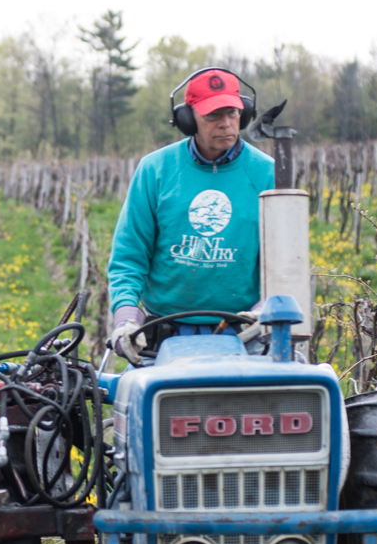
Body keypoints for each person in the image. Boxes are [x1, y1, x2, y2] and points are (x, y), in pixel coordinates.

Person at [107, 68, 275, 365]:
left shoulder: (267, 173)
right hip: (163, 338)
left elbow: (284, 261)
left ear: (245, 113)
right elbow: (128, 257)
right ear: (187, 120)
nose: (226, 124)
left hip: (246, 336)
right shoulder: (155, 170)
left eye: (233, 113)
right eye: (213, 116)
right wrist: (125, 317)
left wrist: (266, 309)